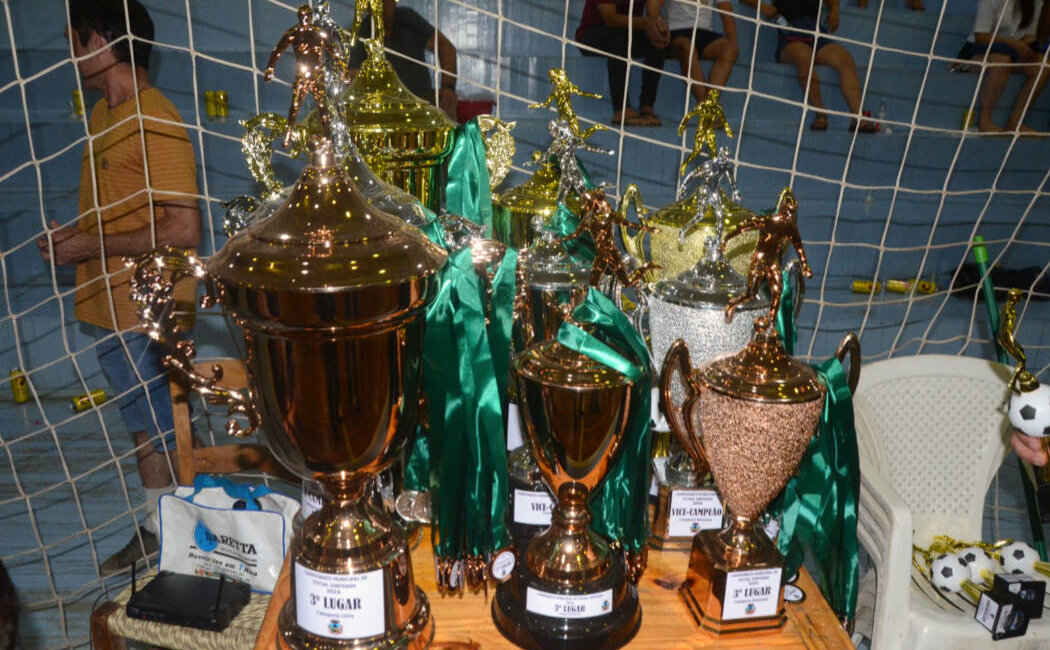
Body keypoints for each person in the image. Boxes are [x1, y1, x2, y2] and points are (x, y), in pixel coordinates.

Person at [36, 0, 201, 575]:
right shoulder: (105, 114)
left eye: (77, 39)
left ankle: (194, 538)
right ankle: (160, 527)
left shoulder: (155, 117)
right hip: (112, 305)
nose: (72, 51)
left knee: (166, 426)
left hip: (149, 308)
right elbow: (120, 214)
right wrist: (73, 239)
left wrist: (92, 246)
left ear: (105, 41)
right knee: (142, 428)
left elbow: (184, 227)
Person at [740, 0, 877, 132]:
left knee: (845, 59)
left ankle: (857, 117)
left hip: (816, 35)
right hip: (790, 36)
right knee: (803, 56)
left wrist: (835, 10)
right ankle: (820, 114)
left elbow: (833, 1)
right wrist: (762, 6)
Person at [348, 0, 459, 120]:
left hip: (424, 100)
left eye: (388, 2)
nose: (384, 5)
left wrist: (448, 87)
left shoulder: (407, 18)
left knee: (448, 112)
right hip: (387, 108)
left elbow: (446, 47)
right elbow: (354, 77)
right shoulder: (362, 30)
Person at [958, 0, 1048, 133]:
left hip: (1011, 51)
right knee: (1002, 61)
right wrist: (1014, 45)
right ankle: (984, 121)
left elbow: (1030, 36)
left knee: (1043, 67)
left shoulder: (1035, 2)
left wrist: (1024, 48)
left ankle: (1015, 122)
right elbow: (981, 36)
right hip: (979, 51)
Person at [575, 0, 670, 126]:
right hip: (593, 33)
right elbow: (610, 19)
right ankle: (621, 108)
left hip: (628, 31)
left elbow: (652, 12)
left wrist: (657, 26)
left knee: (656, 41)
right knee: (618, 37)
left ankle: (647, 106)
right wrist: (647, 23)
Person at [665, 0, 739, 103]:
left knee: (730, 49)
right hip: (676, 31)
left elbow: (725, 8)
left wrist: (734, 45)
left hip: (705, 33)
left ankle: (708, 105)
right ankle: (708, 110)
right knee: (687, 47)